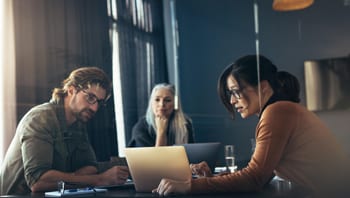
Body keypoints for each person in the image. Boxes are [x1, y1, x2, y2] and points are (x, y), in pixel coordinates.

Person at [152, 55, 350, 197]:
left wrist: (190, 186)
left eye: (236, 91)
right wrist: (215, 177)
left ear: (263, 87)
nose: (231, 101)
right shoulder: (282, 110)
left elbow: (254, 178)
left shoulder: (277, 112)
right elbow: (262, 174)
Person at [0, 67, 129, 195]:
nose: (94, 108)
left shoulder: (78, 122)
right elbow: (38, 182)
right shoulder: (40, 118)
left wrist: (66, 178)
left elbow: (90, 167)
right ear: (71, 90)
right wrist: (99, 179)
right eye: (90, 97)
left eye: (99, 103)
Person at [128, 83, 194, 147]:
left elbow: (191, 153)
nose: (162, 104)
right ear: (151, 103)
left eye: (167, 100)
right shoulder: (141, 127)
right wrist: (161, 132)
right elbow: (156, 158)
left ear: (175, 104)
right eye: (157, 100)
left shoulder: (185, 124)